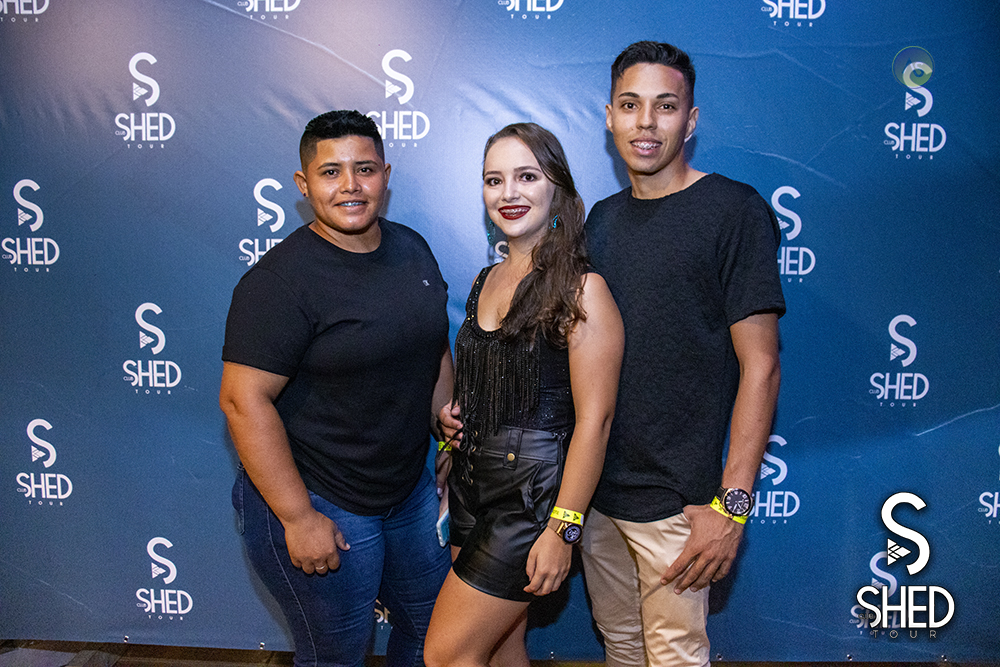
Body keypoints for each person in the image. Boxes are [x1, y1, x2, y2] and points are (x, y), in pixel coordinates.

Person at [219, 109, 453, 667]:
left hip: (406, 491)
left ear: (385, 176)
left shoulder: (412, 248)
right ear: (304, 185)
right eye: (331, 172)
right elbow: (242, 400)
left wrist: (444, 425)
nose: (350, 185)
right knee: (338, 655)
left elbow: (433, 345)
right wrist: (298, 517)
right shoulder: (278, 283)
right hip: (320, 496)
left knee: (436, 631)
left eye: (364, 169)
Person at [579, 42, 786, 667]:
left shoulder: (733, 211)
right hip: (596, 497)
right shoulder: (599, 220)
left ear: (690, 121)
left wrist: (733, 505)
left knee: (675, 658)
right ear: (609, 116)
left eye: (665, 106)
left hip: (680, 506)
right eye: (630, 105)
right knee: (621, 648)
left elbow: (761, 366)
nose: (646, 122)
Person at [423, 123, 624, 667]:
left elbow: (596, 422)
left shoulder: (584, 289)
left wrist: (563, 527)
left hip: (531, 500)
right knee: (501, 648)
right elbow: (488, 381)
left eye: (526, 177)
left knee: (446, 654)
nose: (508, 193)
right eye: (494, 180)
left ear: (557, 187)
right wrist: (455, 423)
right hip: (471, 486)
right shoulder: (484, 279)